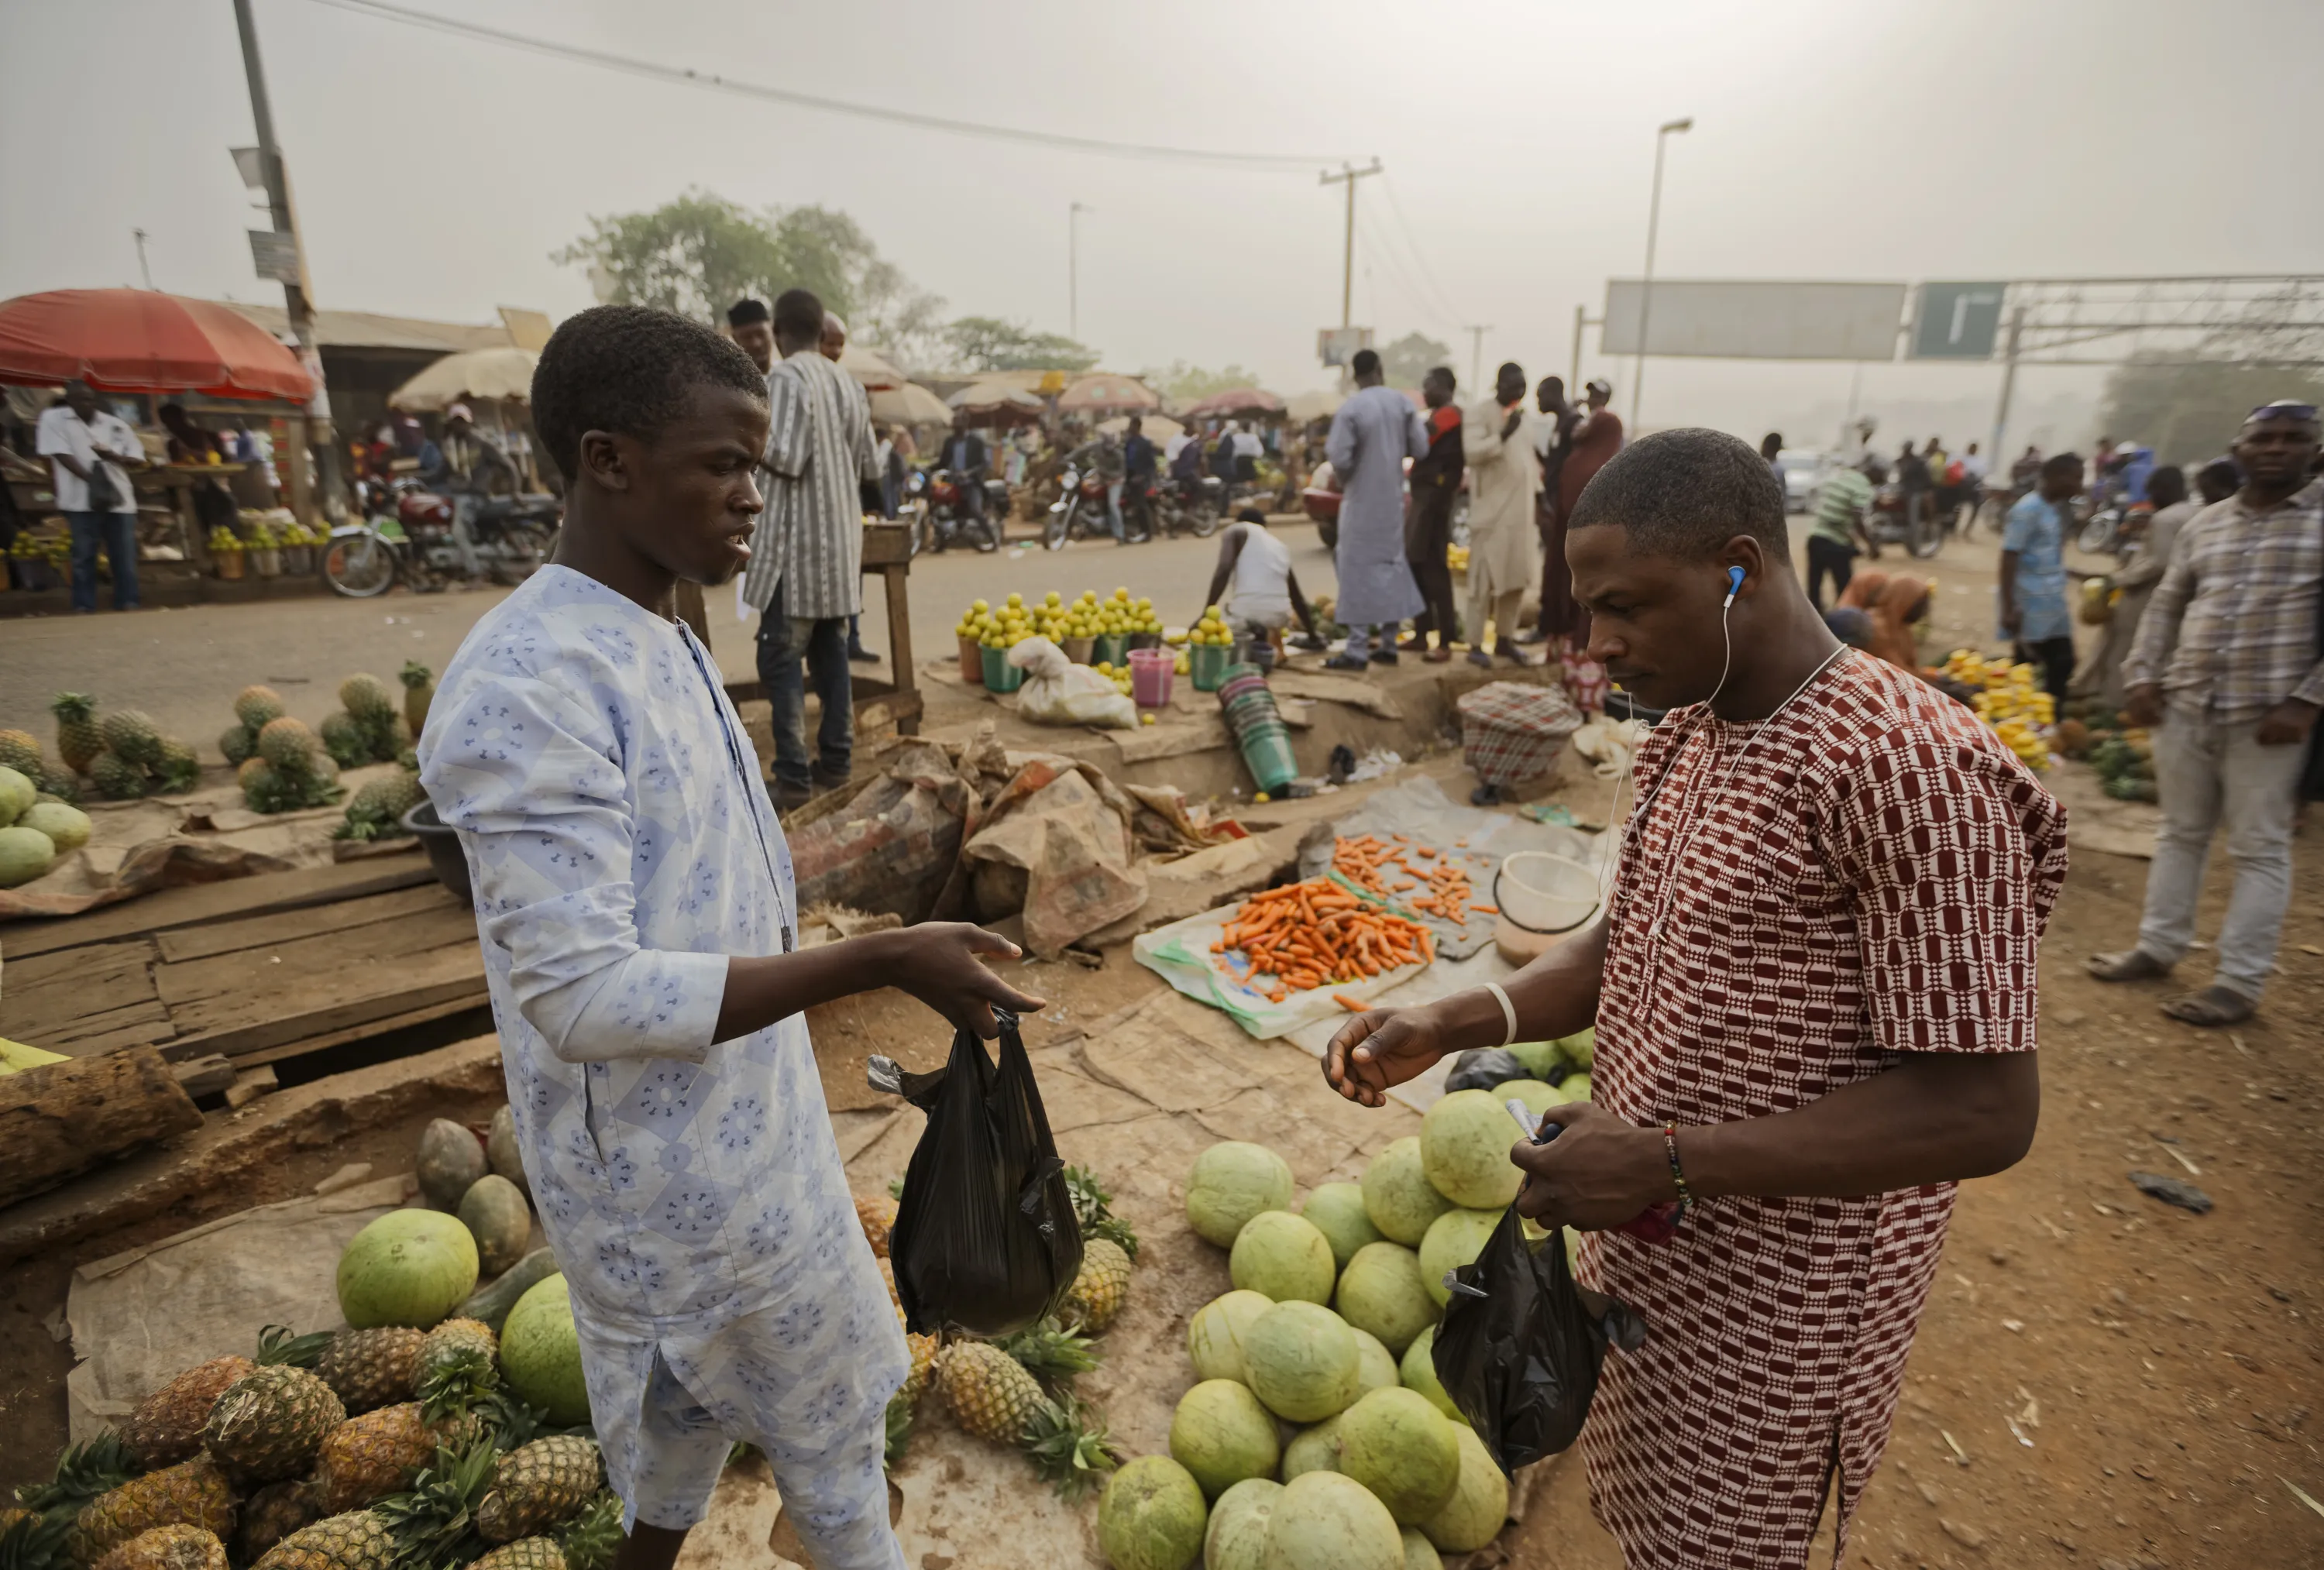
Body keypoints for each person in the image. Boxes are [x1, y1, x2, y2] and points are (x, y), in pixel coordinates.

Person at [1321, 428, 2062, 1570]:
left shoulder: (1906, 769)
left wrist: (1666, 1158)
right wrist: (1450, 1017)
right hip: (1659, 1237)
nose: (1599, 644)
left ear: (1740, 567)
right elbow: (1638, 939)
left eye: (1626, 606)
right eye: (1586, 610)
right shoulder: (1687, 733)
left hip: (1784, 1293)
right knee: (1652, 1513)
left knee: (1717, 1543)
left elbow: (1983, 1111)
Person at [418, 303, 1043, 1570]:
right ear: (609, 461)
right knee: (830, 1464)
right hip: (677, 1200)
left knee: (678, 1427)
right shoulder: (527, 685)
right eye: (725, 464)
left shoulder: (652, 626)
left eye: (757, 466)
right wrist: (879, 955)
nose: (753, 495)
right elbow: (585, 994)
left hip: (746, 1152)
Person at [2086, 402, 2323, 1028]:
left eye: (2292, 439)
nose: (2276, 448)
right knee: (2180, 833)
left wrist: (2306, 702)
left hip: (2270, 714)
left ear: (2314, 449)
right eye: (2263, 438)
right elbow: (2167, 606)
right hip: (2187, 703)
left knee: (2259, 847)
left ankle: (2238, 982)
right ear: (2238, 449)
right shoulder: (2208, 524)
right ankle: (2158, 945)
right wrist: (2142, 676)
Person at [741, 288, 879, 809]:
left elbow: (790, 455)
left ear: (778, 332)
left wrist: (744, 439)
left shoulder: (785, 378)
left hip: (794, 551)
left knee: (780, 659)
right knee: (832, 657)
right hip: (840, 548)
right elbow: (871, 466)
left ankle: (794, 776)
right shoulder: (848, 383)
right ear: (822, 330)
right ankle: (838, 763)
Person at [1322, 348, 1428, 668]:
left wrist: (1348, 477)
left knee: (1355, 568)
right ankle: (1389, 643)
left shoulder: (1353, 408)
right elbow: (1420, 447)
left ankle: (1356, 648)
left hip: (1361, 502)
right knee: (1391, 566)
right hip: (1393, 502)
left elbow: (1339, 458)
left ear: (1355, 375)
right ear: (1381, 369)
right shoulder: (1402, 404)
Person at [2079, 462, 2215, 708]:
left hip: (2146, 595)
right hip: (2183, 595)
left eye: (2153, 494)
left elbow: (2158, 562)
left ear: (2163, 490)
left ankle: (2116, 706)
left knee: (2124, 649)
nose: (2152, 500)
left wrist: (2119, 580)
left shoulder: (2164, 518)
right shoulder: (2197, 514)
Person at [1460, 362, 1542, 667]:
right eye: (1513, 386)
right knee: (1482, 582)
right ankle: (1475, 644)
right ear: (1499, 384)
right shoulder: (1480, 413)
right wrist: (1503, 434)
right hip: (1489, 514)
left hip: (1520, 513)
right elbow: (1472, 452)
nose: (1518, 392)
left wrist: (1541, 500)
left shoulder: (1524, 420)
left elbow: (1528, 464)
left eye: (1523, 386)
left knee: (1515, 579)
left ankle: (1505, 640)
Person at [38, 381, 144, 613]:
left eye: (88, 399)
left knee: (124, 554)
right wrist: (93, 481)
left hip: (120, 500)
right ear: (69, 400)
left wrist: (112, 456)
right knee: (83, 554)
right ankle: (84, 605)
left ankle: (128, 601)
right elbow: (60, 454)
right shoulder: (53, 419)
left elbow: (136, 458)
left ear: (95, 401)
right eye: (77, 399)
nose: (84, 404)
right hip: (79, 501)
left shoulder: (115, 424)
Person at [1999, 452, 2083, 699]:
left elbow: (2045, 557)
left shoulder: (2053, 510)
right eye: (2076, 478)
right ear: (2056, 477)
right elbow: (2009, 556)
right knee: (2030, 668)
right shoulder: (2028, 509)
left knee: (2061, 664)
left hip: (2052, 603)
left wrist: (2080, 574)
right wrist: (2008, 607)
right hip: (2030, 604)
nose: (2080, 485)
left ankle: (2047, 719)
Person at [1202, 506, 1323, 660]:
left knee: (1219, 631)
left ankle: (1256, 637)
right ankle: (1269, 638)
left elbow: (1224, 569)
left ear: (1239, 522)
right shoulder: (1279, 546)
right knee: (1263, 618)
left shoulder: (1236, 530)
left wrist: (1205, 613)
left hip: (1247, 613)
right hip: (1280, 616)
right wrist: (1313, 636)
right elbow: (1296, 596)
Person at [1401, 366, 1463, 660]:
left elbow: (1419, 442)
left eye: (1429, 385)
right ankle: (1422, 633)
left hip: (1434, 502)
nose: (1425, 392)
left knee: (1435, 570)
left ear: (1445, 386)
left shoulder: (1450, 415)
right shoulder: (1438, 415)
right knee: (1417, 566)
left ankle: (1445, 641)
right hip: (1423, 499)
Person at [1525, 376, 1585, 648]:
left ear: (1553, 393)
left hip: (1561, 509)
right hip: (1552, 504)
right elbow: (1555, 465)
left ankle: (1555, 627)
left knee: (1557, 569)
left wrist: (1553, 505)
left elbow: (1571, 471)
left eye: (1540, 395)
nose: (1538, 401)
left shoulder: (1574, 423)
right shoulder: (1561, 423)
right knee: (1549, 568)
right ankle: (1546, 625)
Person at [1804, 459, 1878, 610]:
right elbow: (1858, 516)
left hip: (1816, 537)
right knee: (1845, 590)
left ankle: (1815, 619)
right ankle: (1842, 623)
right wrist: (1870, 543)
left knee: (1814, 586)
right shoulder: (1863, 487)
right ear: (1875, 474)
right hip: (1835, 544)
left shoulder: (1842, 476)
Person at [1834, 567, 1934, 672]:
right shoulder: (1876, 628)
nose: (1922, 609)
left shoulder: (1900, 626)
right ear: (1901, 600)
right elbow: (1897, 672)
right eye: (1918, 603)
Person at [1556, 376, 1622, 524]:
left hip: (1588, 489)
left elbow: (1577, 433)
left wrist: (1571, 411)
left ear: (1606, 399)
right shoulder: (1590, 419)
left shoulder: (1604, 418)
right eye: (1592, 395)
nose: (1592, 399)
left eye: (1598, 396)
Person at [1122, 415, 1157, 541]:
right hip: (1129, 477)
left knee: (1141, 505)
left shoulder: (1145, 443)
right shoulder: (1128, 442)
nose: (1130, 428)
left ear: (1137, 427)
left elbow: (1151, 464)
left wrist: (1144, 477)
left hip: (1141, 479)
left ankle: (1147, 532)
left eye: (1132, 425)